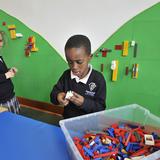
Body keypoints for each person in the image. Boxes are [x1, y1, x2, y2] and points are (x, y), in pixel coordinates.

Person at [50, 34, 106, 119]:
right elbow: (53, 95)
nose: (74, 67)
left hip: (89, 126)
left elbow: (101, 108)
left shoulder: (98, 79)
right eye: (70, 62)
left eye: (79, 62)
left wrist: (84, 103)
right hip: (67, 122)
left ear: (89, 57)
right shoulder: (66, 75)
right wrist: (58, 97)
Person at [0, 30, 20, 114]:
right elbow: (3, 75)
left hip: (10, 96)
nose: (1, 44)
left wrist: (9, 70)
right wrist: (6, 75)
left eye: (1, 41)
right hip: (3, 100)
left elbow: (2, 72)